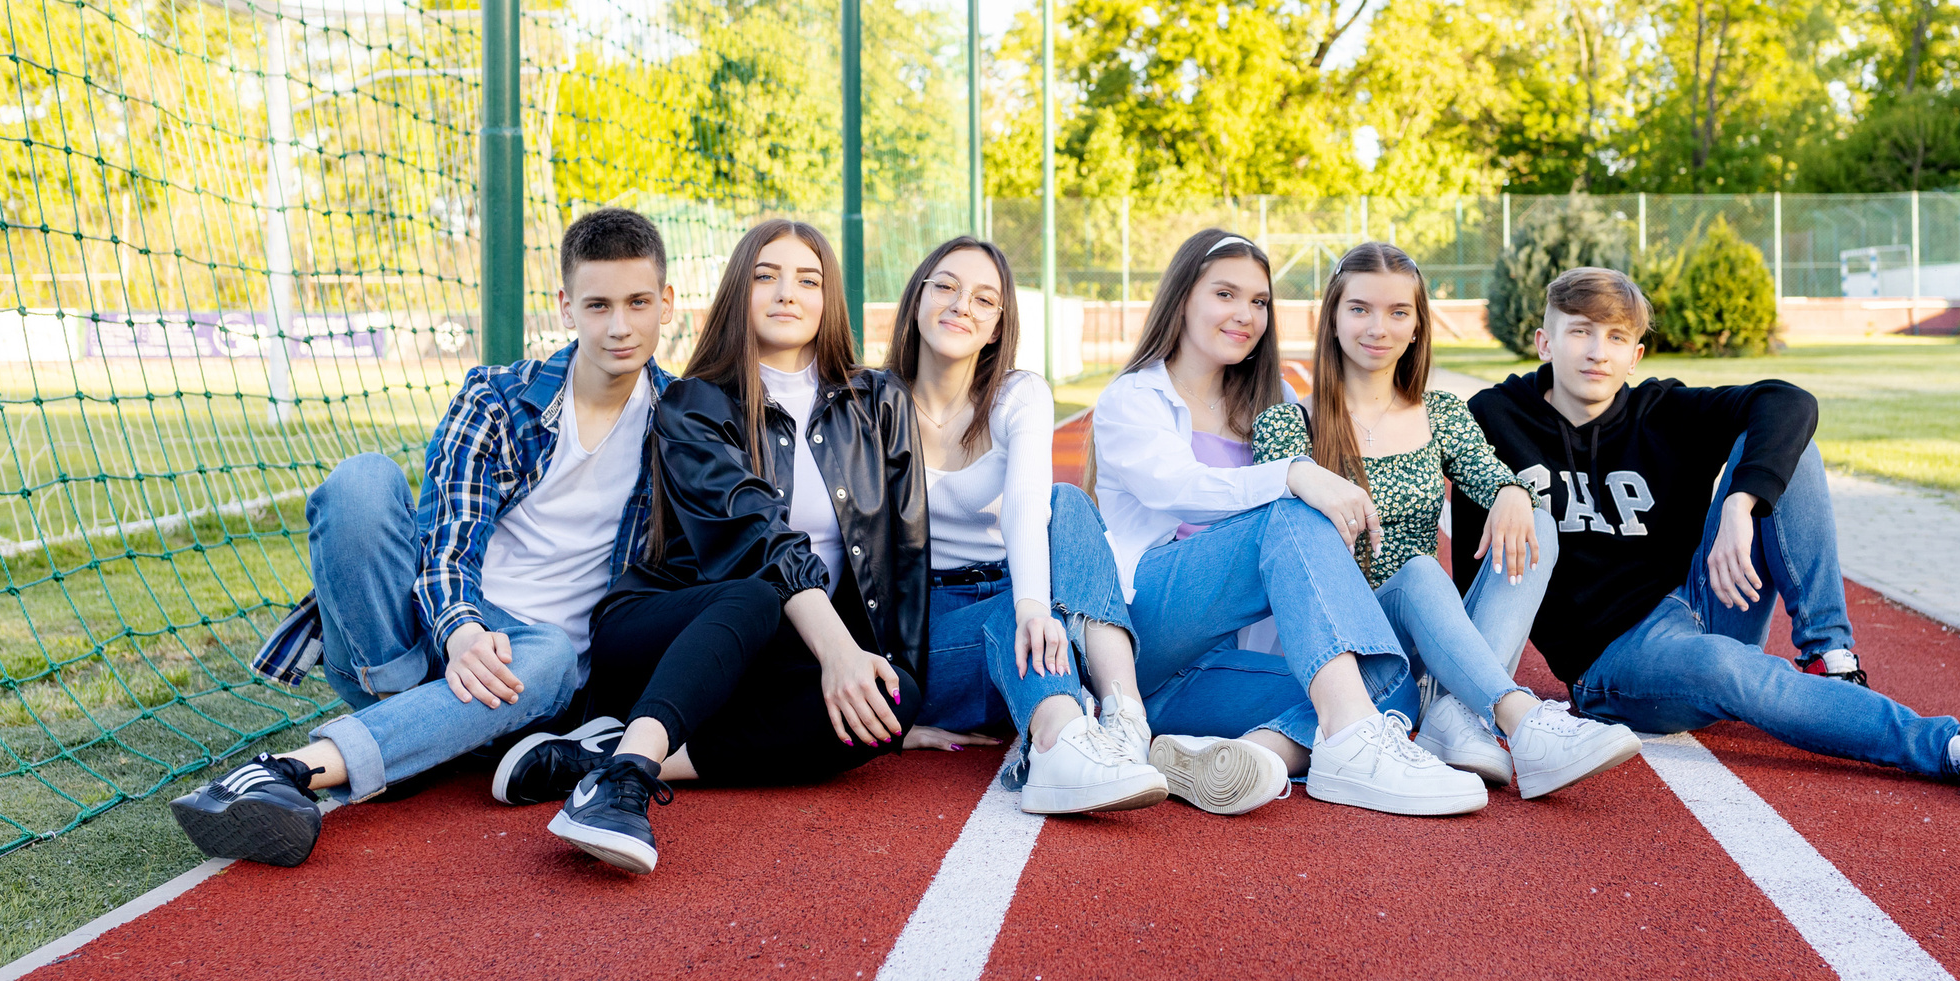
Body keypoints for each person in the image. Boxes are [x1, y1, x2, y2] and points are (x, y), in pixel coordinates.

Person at [172, 207, 676, 866]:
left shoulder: (680, 422)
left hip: (534, 681)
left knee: (550, 651)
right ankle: (409, 724)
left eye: (638, 301)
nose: (618, 324)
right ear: (565, 306)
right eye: (598, 303)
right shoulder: (500, 398)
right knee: (362, 483)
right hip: (420, 642)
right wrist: (462, 630)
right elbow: (447, 542)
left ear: (665, 303)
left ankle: (295, 768)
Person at [1450, 267, 1960, 804]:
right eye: (1579, 331)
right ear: (1543, 341)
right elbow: (1478, 585)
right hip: (1617, 660)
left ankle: (1831, 656)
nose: (1596, 352)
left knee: (1787, 449)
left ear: (1635, 355)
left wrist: (1742, 505)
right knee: (1732, 670)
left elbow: (1789, 400)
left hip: (1706, 595)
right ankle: (1959, 750)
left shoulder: (1660, 409)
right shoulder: (1495, 419)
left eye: (1616, 337)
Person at [513, 218, 928, 875]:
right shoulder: (693, 402)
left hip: (775, 653)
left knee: (891, 697)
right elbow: (755, 534)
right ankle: (620, 783)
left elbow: (905, 554)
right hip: (661, 627)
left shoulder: (878, 401)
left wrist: (905, 699)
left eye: (808, 279)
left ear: (830, 298)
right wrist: (841, 648)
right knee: (760, 594)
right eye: (766, 275)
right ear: (740, 291)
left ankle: (601, 757)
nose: (787, 292)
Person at [1093, 228, 1487, 818]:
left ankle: (1247, 757)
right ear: (1183, 298)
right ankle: (1350, 744)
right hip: (1152, 629)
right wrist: (1294, 473)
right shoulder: (1134, 398)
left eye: (1258, 301)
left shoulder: (1272, 400)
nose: (1245, 315)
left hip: (1206, 674)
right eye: (1225, 294)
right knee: (1294, 511)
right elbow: (1178, 488)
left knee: (1391, 683)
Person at [1251, 242, 1642, 800]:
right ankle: (1518, 719)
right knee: (1419, 570)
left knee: (1538, 525)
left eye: (1398, 312)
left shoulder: (1441, 414)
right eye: (1360, 308)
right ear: (1332, 318)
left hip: (1428, 642)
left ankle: (1454, 712)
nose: (1378, 327)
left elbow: (1491, 475)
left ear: (1416, 327)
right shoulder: (1287, 426)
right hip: (1344, 649)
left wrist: (1512, 492)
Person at [889, 235, 1166, 814]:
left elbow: (1025, 506)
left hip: (1026, 601)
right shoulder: (870, 400)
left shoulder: (1019, 394)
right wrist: (887, 718)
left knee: (1066, 500)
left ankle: (1122, 716)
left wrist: (1033, 605)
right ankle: (1061, 742)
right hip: (925, 633)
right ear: (916, 299)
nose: (961, 304)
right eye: (945, 286)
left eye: (984, 299)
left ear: (996, 327)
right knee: (1020, 618)